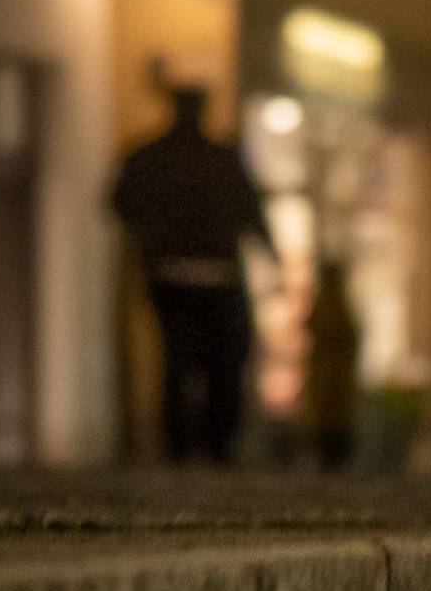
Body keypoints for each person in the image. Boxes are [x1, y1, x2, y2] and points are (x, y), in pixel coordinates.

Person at [111, 80, 274, 464]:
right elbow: (252, 211)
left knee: (180, 361)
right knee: (220, 362)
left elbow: (119, 204)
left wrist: (148, 243)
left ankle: (182, 446)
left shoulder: (149, 157)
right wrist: (270, 252)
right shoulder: (220, 159)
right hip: (214, 277)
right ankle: (213, 445)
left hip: (171, 275)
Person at [302, 259, 362, 470]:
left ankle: (334, 456)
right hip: (327, 377)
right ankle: (327, 455)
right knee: (326, 420)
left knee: (333, 420)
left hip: (334, 378)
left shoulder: (335, 306)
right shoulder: (331, 306)